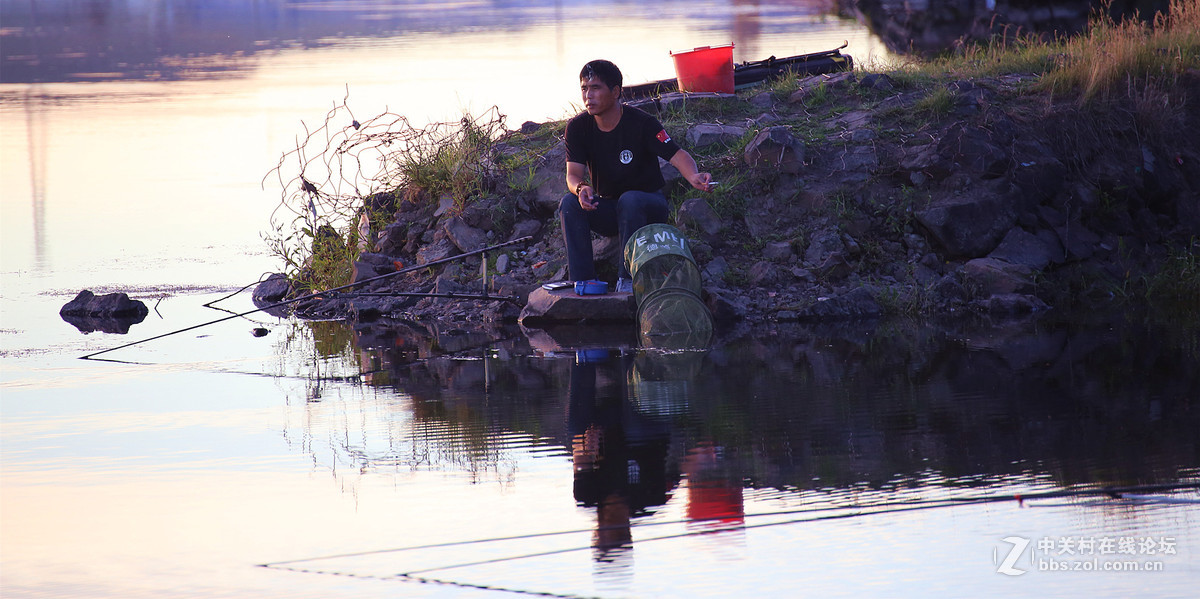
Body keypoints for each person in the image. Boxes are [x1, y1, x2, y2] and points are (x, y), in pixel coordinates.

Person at [561, 59, 713, 293]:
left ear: (615, 92)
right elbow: (573, 175)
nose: (588, 96)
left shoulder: (642, 123)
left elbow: (677, 154)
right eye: (584, 88)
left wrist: (693, 176)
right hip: (611, 208)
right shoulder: (578, 128)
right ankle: (584, 282)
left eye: (595, 88)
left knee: (630, 199)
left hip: (647, 207)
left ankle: (629, 281)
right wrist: (581, 188)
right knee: (569, 203)